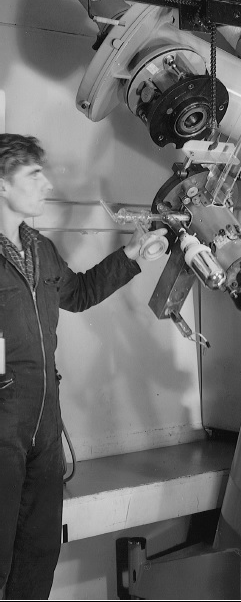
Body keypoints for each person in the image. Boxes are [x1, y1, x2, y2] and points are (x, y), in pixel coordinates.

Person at [0, 133, 149, 600]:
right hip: (3, 420)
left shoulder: (38, 248)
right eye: (33, 175)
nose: (46, 184)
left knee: (39, 549)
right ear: (2, 185)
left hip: (45, 422)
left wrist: (130, 257)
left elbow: (79, 293)